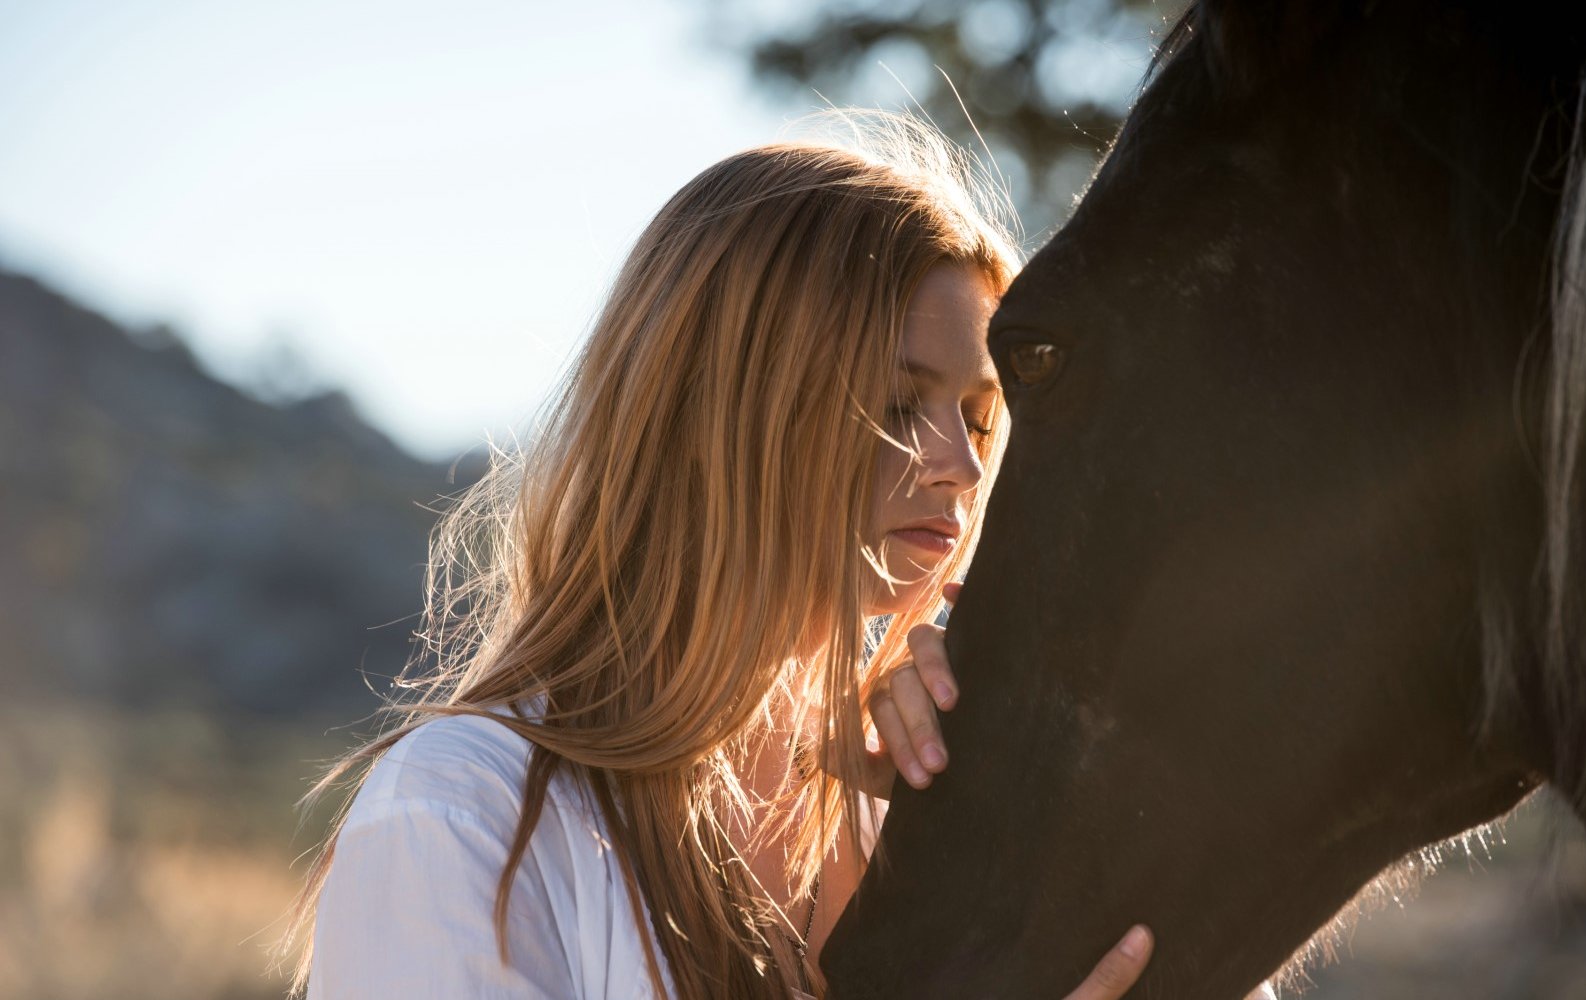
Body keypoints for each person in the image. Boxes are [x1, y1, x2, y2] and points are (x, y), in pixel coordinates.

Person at [283, 115, 1158, 999]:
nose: (962, 466)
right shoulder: (461, 816)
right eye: (897, 405)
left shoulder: (916, 811)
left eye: (977, 416)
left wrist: (1048, 812)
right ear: (724, 413)